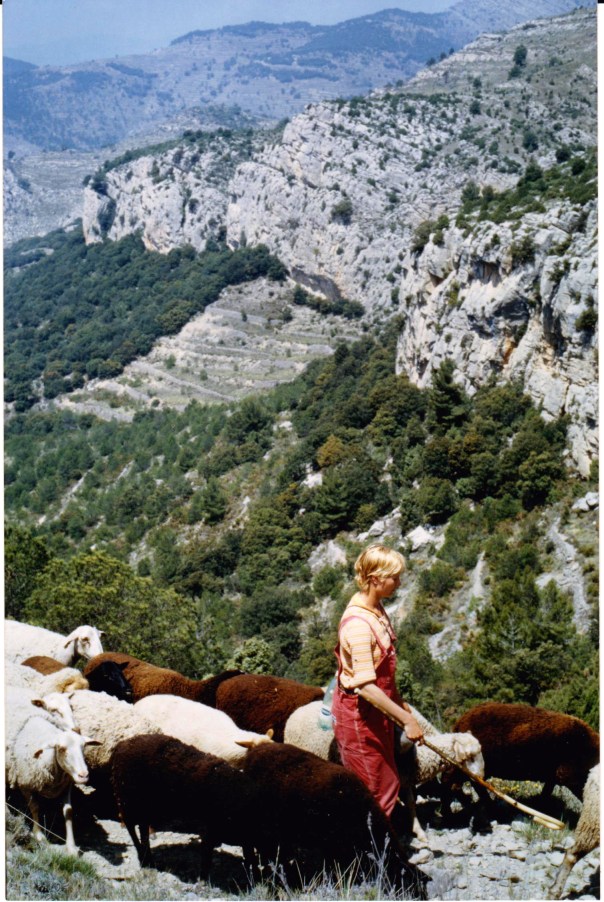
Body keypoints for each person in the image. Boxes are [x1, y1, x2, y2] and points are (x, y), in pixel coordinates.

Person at [331, 543, 423, 820]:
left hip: (378, 711)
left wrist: (400, 707)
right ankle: (369, 858)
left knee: (386, 779)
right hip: (360, 716)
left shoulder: (376, 609)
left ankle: (380, 848)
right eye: (394, 577)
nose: (399, 582)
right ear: (374, 580)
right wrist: (407, 721)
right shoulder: (359, 626)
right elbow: (366, 687)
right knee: (373, 786)